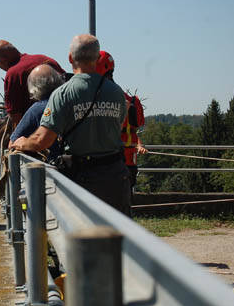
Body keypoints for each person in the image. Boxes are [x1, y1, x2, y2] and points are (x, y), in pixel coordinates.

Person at [10, 34, 132, 216]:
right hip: (115, 176)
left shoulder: (63, 94)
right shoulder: (116, 93)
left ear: (70, 59)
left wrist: (21, 143)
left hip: (82, 179)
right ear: (98, 58)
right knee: (117, 236)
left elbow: (42, 140)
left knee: (83, 234)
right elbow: (118, 126)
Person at [96, 50, 147, 189]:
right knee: (124, 204)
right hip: (129, 164)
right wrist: (139, 145)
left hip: (108, 163)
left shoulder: (100, 100)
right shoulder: (130, 101)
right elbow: (133, 132)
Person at [0, 40, 65, 128]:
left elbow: (16, 118)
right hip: (66, 120)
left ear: (3, 60)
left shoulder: (13, 74)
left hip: (39, 128)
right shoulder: (46, 59)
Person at [8, 64, 64, 161]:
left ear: (34, 88)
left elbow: (13, 143)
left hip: (56, 169)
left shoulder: (37, 110)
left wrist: (26, 143)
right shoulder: (69, 102)